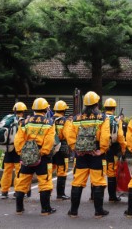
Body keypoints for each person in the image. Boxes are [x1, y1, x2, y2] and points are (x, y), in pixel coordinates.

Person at [67, 91, 110, 219]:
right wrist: (101, 150)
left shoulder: (76, 118)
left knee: (77, 182)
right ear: (97, 103)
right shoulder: (102, 118)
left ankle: (73, 211)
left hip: (81, 156)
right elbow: (105, 136)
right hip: (96, 154)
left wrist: (76, 149)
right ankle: (98, 211)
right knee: (98, 182)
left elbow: (70, 136)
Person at [14, 98, 56, 215]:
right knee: (45, 182)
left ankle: (19, 209)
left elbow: (18, 139)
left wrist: (21, 152)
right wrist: (43, 152)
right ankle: (45, 209)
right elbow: (49, 140)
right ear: (46, 109)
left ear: (33, 109)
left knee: (22, 181)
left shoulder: (24, 122)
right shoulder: (49, 122)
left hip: (26, 156)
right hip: (42, 158)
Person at [0, 102, 29, 199]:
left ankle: (4, 191)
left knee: (7, 171)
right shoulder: (22, 121)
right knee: (18, 171)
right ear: (23, 111)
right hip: (18, 150)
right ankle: (17, 191)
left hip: (8, 149)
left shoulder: (7, 118)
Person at [103, 98, 127, 202]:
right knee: (111, 173)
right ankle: (112, 197)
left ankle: (93, 196)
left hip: (99, 150)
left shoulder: (100, 118)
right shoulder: (117, 120)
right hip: (112, 150)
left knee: (97, 173)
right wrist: (123, 149)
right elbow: (121, 136)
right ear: (114, 108)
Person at [52, 100, 76, 200]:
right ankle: (60, 194)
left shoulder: (48, 119)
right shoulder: (65, 121)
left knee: (48, 170)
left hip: (50, 148)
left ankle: (46, 192)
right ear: (64, 110)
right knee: (62, 171)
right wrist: (74, 146)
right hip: (62, 148)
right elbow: (68, 135)